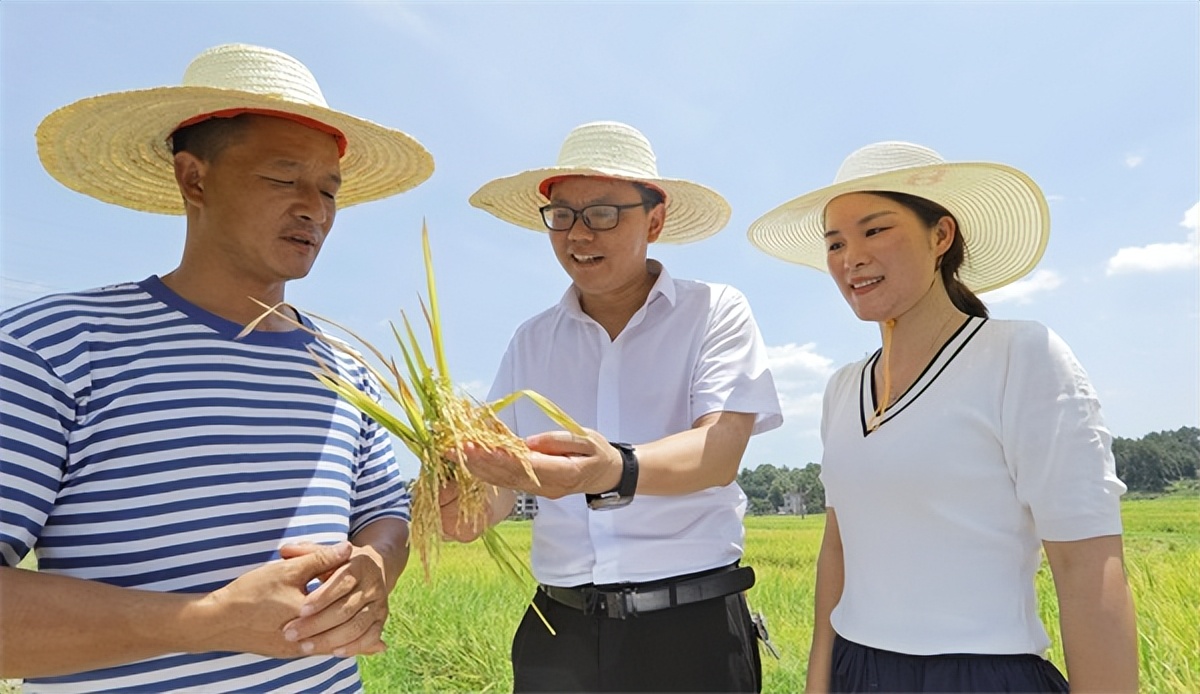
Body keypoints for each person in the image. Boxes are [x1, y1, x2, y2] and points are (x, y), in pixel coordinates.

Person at [0, 43, 434, 692]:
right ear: (193, 179)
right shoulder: (56, 348)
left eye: (328, 190)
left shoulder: (346, 370)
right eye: (283, 178)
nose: (313, 208)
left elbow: (383, 515)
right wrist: (203, 621)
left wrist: (375, 563)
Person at [747, 141, 1139, 692]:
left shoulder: (1022, 357)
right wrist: (820, 679)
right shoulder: (843, 389)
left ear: (941, 236)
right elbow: (838, 548)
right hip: (856, 670)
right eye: (835, 242)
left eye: (874, 230)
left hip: (981, 674)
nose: (850, 257)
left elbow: (1087, 571)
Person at [442, 121, 783, 692]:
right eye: (562, 215)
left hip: (690, 631)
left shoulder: (714, 311)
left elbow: (718, 450)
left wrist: (612, 469)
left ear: (655, 219)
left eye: (603, 213)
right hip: (560, 634)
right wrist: (469, 505)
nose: (578, 234)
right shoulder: (532, 340)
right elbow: (505, 476)